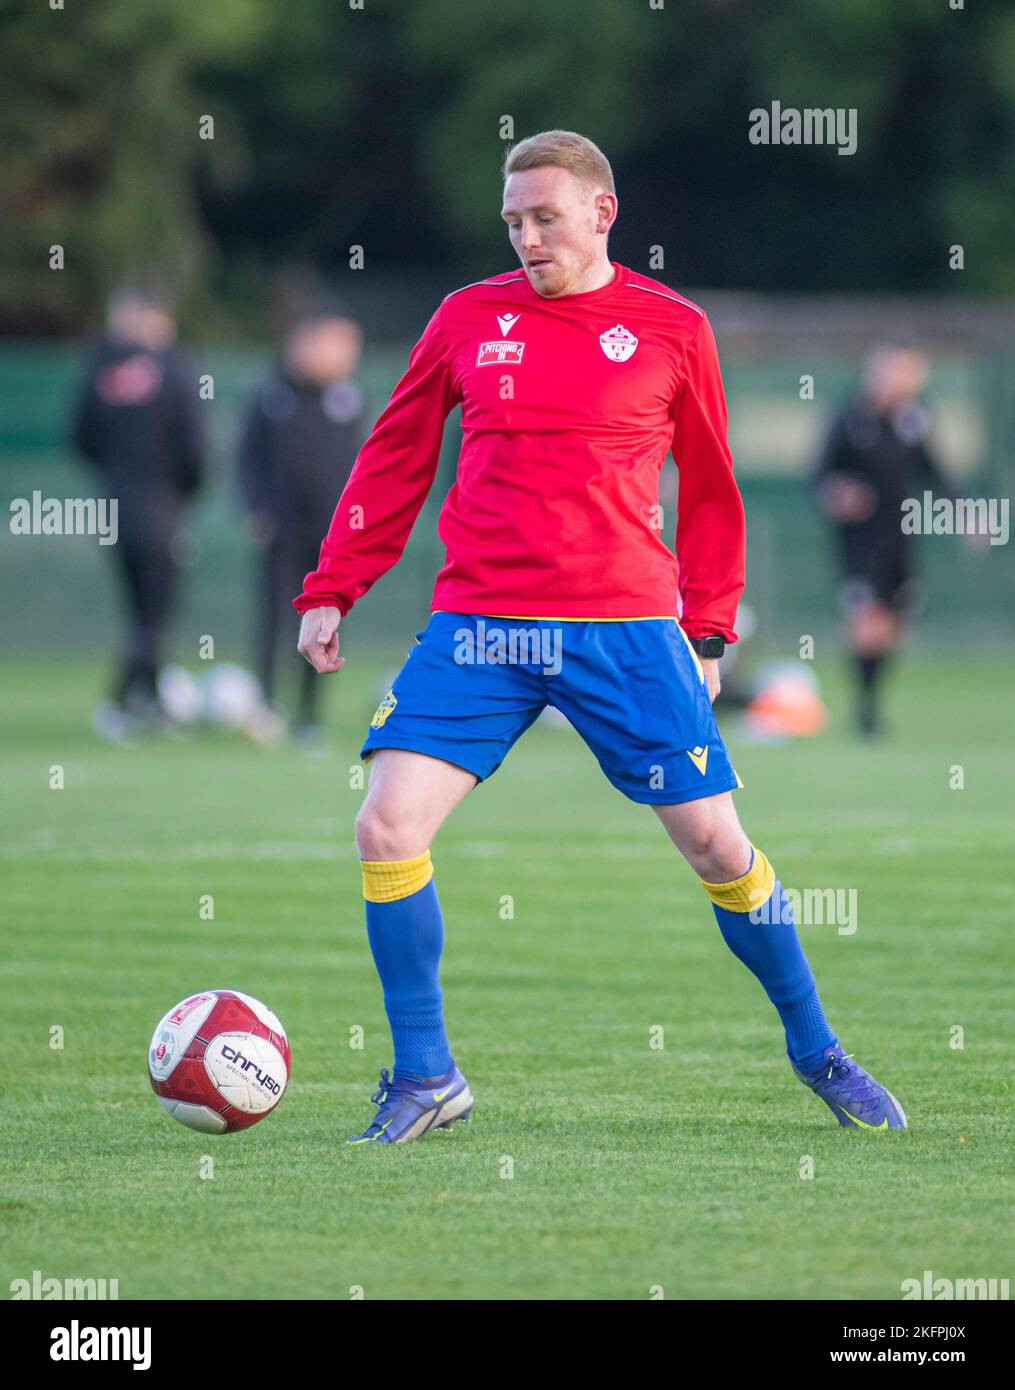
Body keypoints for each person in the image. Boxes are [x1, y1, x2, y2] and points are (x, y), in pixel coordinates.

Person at [295, 130, 907, 1143]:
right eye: (513, 222)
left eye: (544, 217)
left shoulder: (670, 328)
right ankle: (425, 1075)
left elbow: (712, 488)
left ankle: (817, 1049)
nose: (527, 238)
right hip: (478, 625)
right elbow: (395, 454)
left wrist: (708, 629)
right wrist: (336, 583)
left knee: (718, 846)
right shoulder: (465, 318)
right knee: (385, 826)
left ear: (600, 212)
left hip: (624, 627)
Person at [71, 278, 204, 736]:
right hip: (159, 506)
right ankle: (126, 702)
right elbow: (194, 449)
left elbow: (81, 438)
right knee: (154, 611)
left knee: (141, 610)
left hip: (115, 506)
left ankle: (145, 699)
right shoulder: (176, 368)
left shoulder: (101, 365)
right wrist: (180, 495)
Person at [813, 345, 954, 736]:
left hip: (902, 536)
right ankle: (866, 708)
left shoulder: (914, 420)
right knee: (867, 620)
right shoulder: (849, 419)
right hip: (859, 541)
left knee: (894, 625)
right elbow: (818, 476)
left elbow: (936, 470)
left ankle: (873, 698)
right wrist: (839, 493)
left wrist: (965, 510)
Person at [238, 307, 365, 739]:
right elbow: (247, 459)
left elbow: (363, 466)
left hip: (329, 534)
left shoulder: (348, 398)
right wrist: (256, 508)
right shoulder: (271, 395)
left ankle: (309, 716)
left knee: (323, 618)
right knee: (273, 614)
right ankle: (265, 703)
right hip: (280, 526)